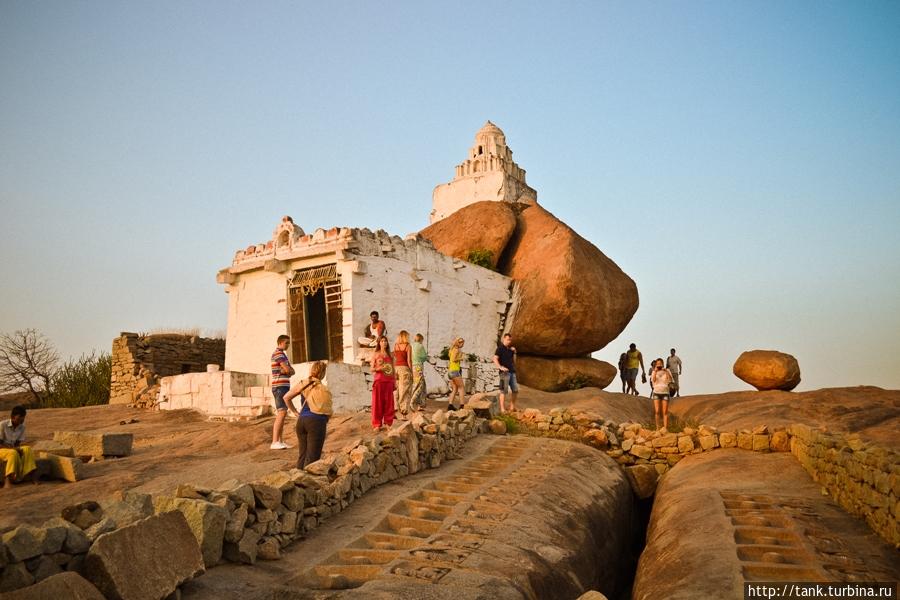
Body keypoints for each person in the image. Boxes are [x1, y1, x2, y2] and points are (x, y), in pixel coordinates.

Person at [283, 361, 333, 469]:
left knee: (302, 455)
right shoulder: (324, 389)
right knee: (312, 458)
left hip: (301, 422)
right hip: (316, 422)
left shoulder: (303, 383)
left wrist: (295, 412)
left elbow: (286, 397)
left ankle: (297, 481)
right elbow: (327, 411)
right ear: (323, 373)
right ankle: (308, 483)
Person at [1, 405, 38, 489]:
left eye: (23, 418)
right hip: (2, 449)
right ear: (12, 417)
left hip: (12, 448)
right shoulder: (2, 425)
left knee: (27, 449)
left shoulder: (22, 427)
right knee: (13, 453)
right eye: (19, 418)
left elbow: (17, 443)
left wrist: (18, 450)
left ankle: (32, 474)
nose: (21, 420)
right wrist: (14, 449)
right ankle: (7, 479)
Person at [270, 335, 295, 450]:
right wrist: (286, 370)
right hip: (279, 386)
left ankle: (280, 441)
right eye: (286, 343)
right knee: (281, 412)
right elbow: (287, 370)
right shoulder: (278, 354)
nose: (288, 345)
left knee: (283, 413)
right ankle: (274, 441)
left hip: (283, 386)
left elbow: (292, 371)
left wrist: (287, 370)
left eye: (289, 343)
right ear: (280, 343)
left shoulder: (283, 355)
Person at [371, 336, 396, 431]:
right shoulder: (376, 354)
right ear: (379, 343)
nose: (384, 342)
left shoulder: (390, 355)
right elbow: (372, 368)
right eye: (382, 341)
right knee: (377, 403)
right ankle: (377, 424)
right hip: (379, 381)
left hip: (389, 382)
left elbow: (393, 369)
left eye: (385, 341)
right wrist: (379, 369)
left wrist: (395, 381)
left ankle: (388, 423)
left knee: (389, 403)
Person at [493, 334, 518, 413]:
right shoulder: (500, 349)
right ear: (504, 339)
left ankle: (512, 407)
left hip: (512, 372)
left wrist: (514, 353)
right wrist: (500, 367)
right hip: (504, 373)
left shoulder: (510, 349)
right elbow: (494, 358)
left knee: (515, 390)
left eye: (510, 340)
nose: (509, 341)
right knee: (503, 391)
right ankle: (502, 409)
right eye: (507, 339)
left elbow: (514, 361)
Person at [650, 358, 675, 430]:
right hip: (656, 392)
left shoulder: (667, 370)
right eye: (658, 364)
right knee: (657, 411)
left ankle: (665, 429)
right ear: (656, 365)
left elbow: (670, 380)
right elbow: (653, 380)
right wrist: (655, 371)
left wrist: (666, 371)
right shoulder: (654, 371)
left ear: (663, 364)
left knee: (665, 412)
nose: (659, 365)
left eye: (660, 364)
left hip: (665, 393)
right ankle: (658, 428)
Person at [393, 331, 413, 417]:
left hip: (396, 368)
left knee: (396, 389)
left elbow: (394, 359)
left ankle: (395, 407)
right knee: (404, 390)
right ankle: (404, 412)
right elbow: (409, 360)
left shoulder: (395, 346)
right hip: (404, 369)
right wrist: (411, 371)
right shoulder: (408, 346)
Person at [410, 333, 428, 412]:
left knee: (422, 385)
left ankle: (420, 405)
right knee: (419, 385)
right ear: (421, 339)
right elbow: (424, 357)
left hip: (413, 367)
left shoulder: (411, 346)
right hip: (418, 367)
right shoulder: (420, 346)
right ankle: (412, 402)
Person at [447, 337, 466, 411]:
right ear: (459, 343)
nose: (463, 344)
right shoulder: (456, 350)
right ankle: (462, 406)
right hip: (455, 371)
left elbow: (452, 358)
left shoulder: (451, 350)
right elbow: (454, 359)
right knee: (461, 388)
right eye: (462, 343)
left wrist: (460, 355)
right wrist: (461, 358)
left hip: (450, 371)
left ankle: (450, 405)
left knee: (454, 389)